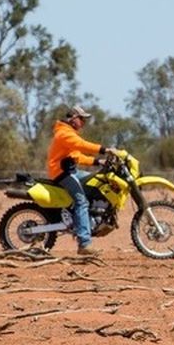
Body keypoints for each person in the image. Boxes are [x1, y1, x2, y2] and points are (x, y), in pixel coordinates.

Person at [46, 106, 115, 256]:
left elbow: (77, 156)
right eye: (81, 119)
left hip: (71, 171)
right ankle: (84, 244)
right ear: (73, 118)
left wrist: (98, 162)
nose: (83, 122)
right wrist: (104, 150)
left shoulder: (69, 133)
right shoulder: (64, 134)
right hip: (61, 172)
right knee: (81, 202)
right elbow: (82, 145)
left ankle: (87, 219)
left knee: (95, 181)